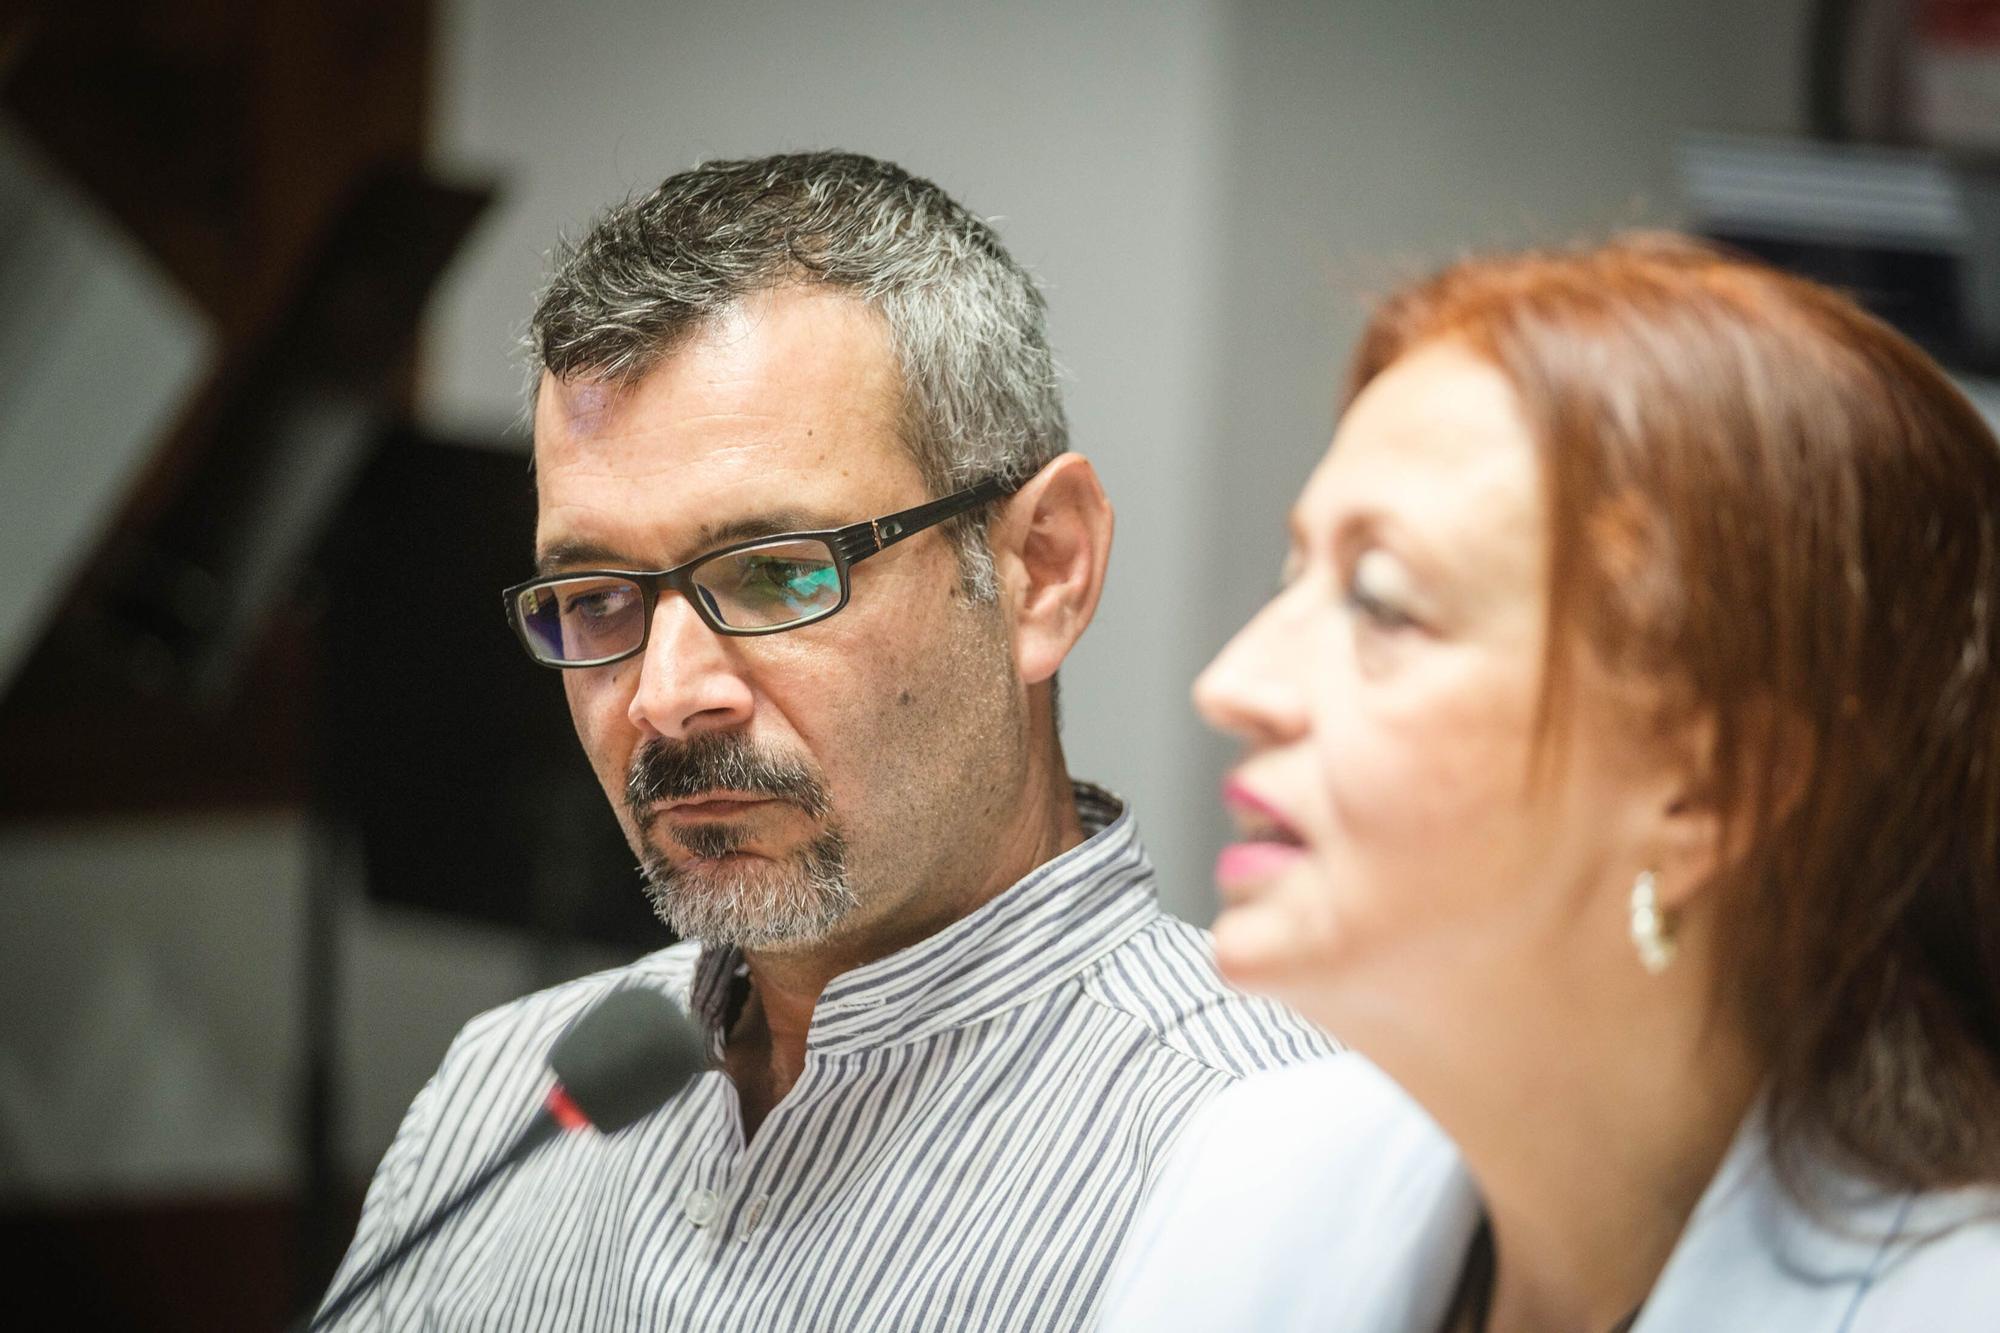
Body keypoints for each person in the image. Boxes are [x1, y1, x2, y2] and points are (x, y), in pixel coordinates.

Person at [317, 151, 1331, 1331]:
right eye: (596, 596)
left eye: (776, 572)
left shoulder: (1273, 1148)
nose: (663, 695)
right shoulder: (506, 1099)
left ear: (1042, 568)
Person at [1100, 237, 2000, 1331]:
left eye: (1381, 603)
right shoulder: (1248, 1180)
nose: (1231, 684)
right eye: (1293, 579)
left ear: (1706, 789)